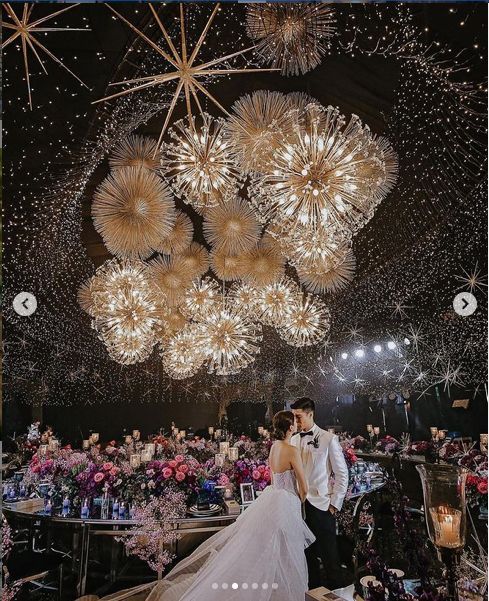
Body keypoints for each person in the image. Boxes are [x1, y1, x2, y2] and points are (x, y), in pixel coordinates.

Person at [100, 410, 314, 601]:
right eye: (293, 423)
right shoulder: (291, 450)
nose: (296, 425)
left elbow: (273, 477)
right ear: (289, 427)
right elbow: (303, 486)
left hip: (271, 498)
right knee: (287, 553)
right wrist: (300, 502)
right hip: (285, 501)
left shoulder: (274, 447)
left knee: (263, 550)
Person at [290, 397, 349, 590]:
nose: (296, 422)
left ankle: (337, 593)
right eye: (294, 418)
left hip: (322, 506)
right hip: (298, 507)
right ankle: (313, 592)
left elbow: (342, 473)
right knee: (307, 557)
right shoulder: (293, 439)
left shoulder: (328, 439)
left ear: (310, 414)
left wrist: (334, 504)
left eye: (299, 417)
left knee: (330, 557)